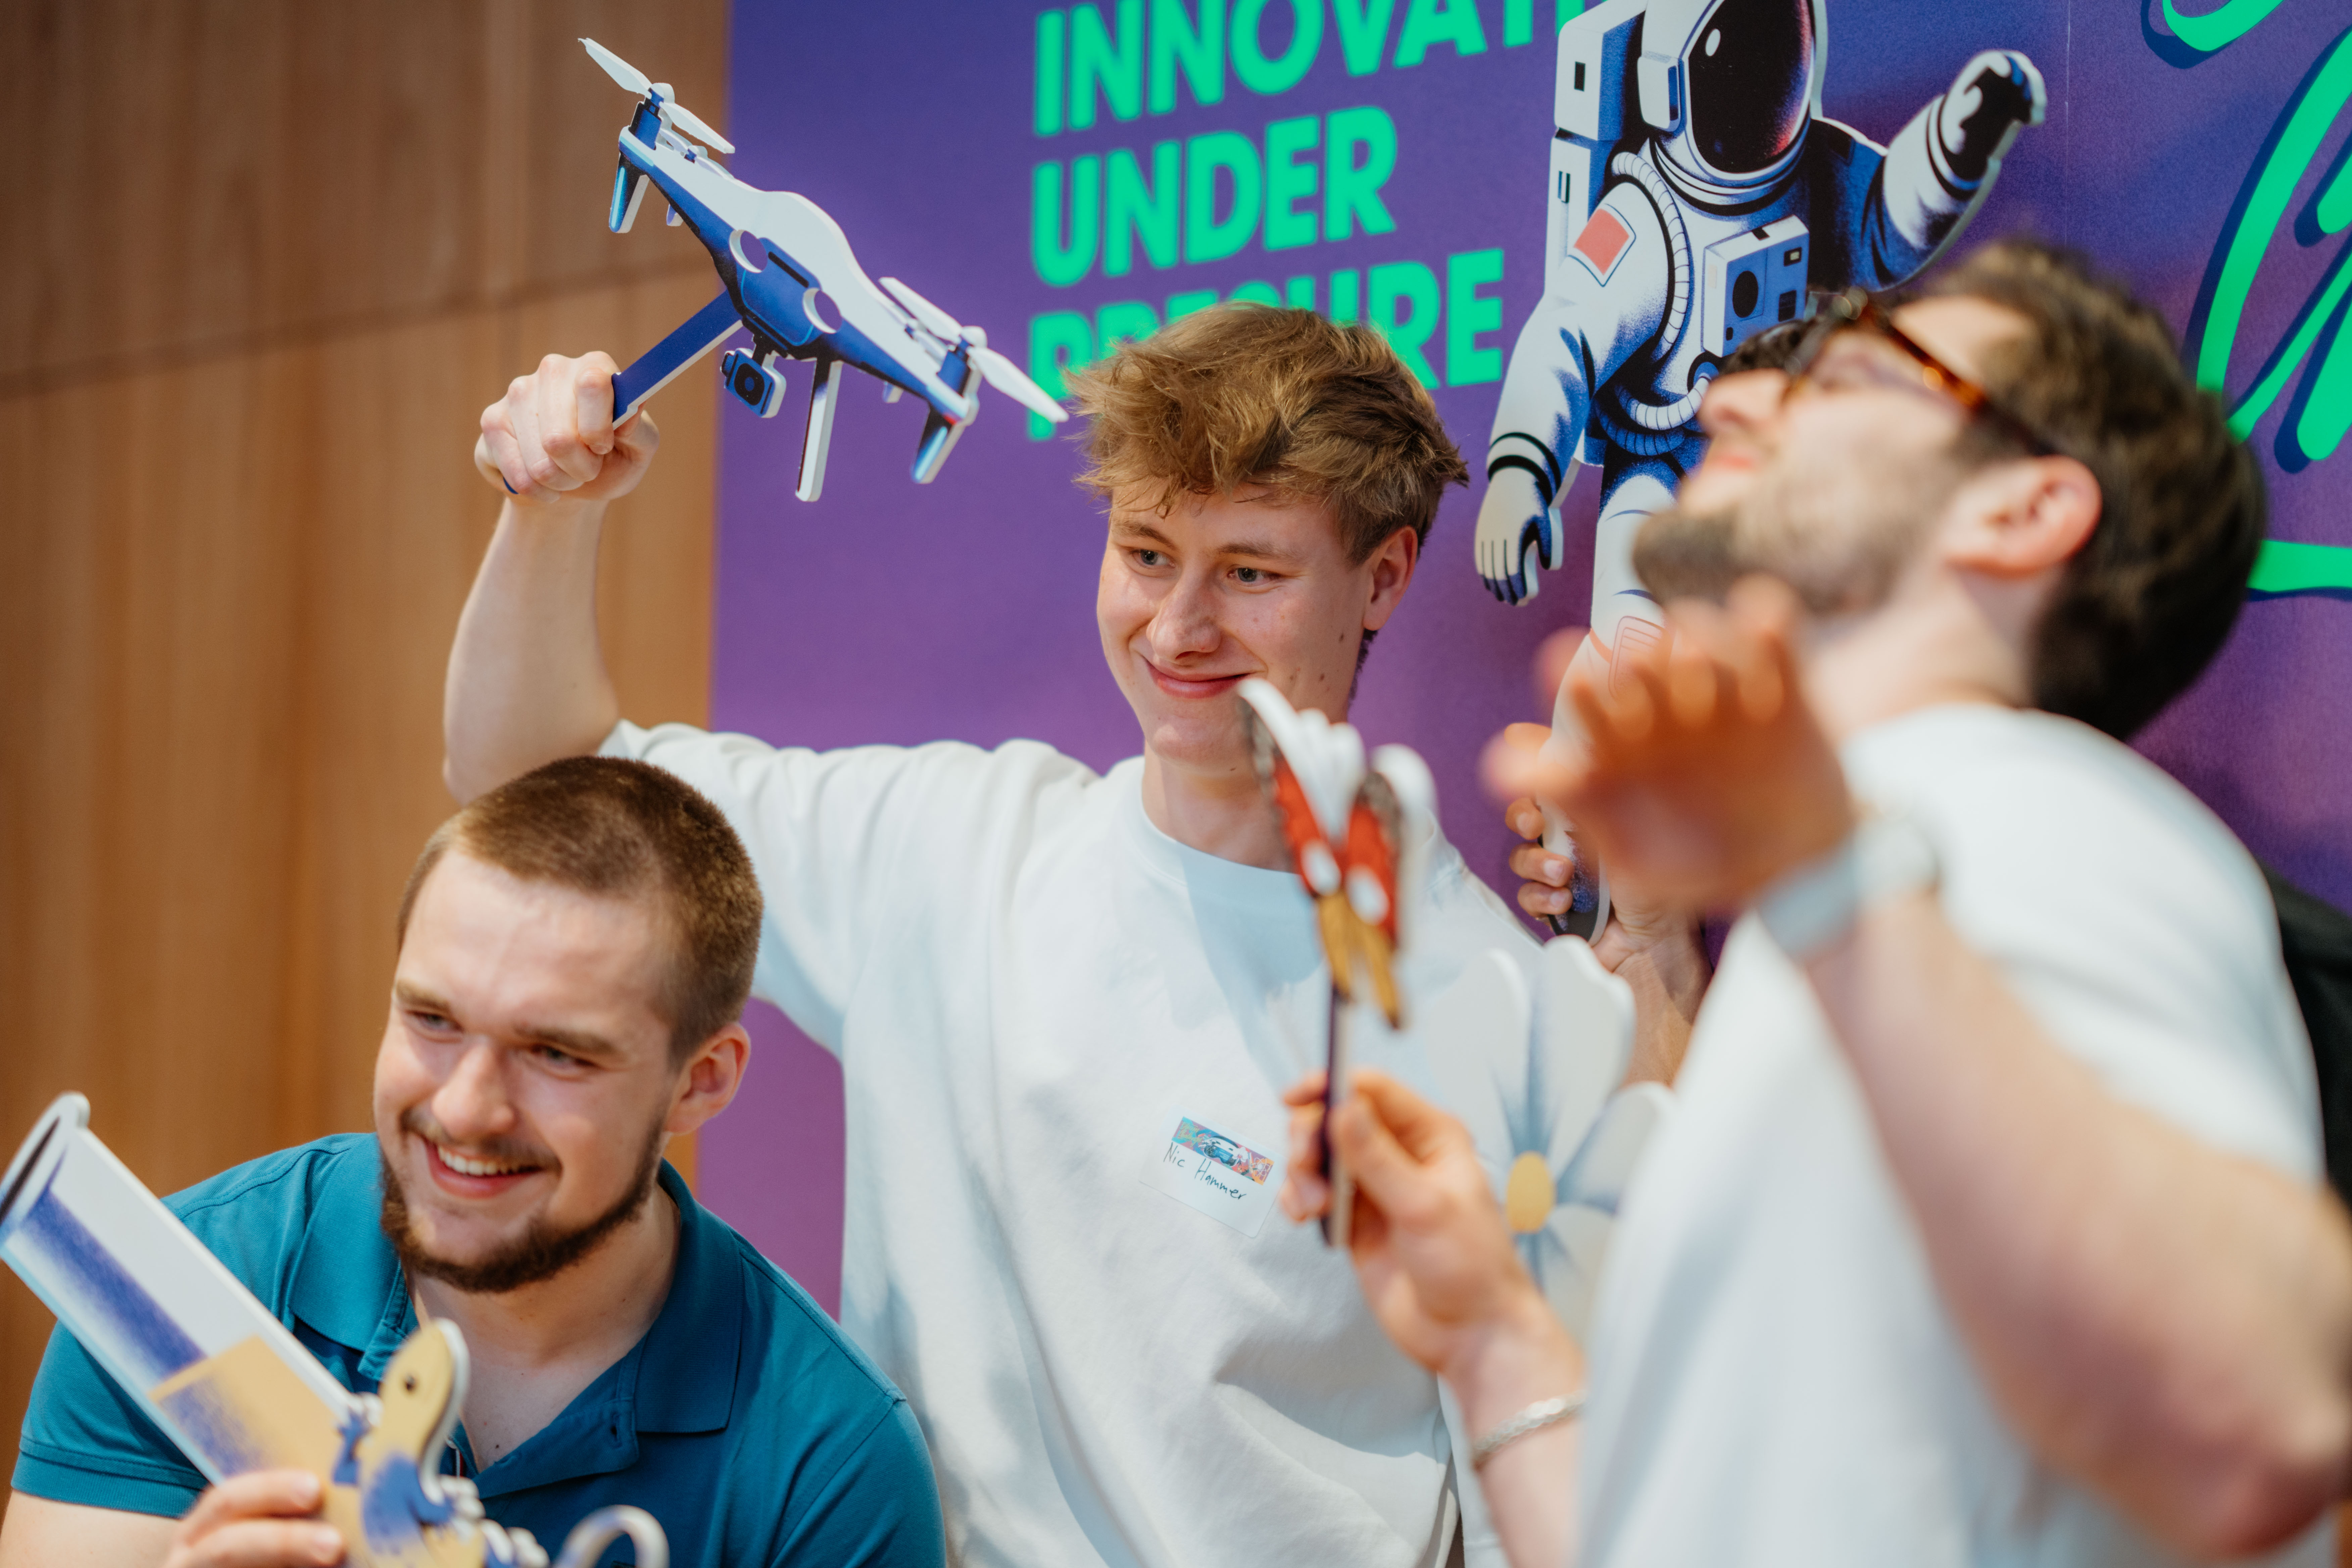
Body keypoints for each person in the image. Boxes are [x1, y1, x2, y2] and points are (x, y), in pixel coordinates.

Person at [443, 304, 1698, 1567]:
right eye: (1147, 553)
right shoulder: (949, 849)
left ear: (1383, 577)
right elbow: (539, 784)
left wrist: (1657, 984)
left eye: (1250, 574)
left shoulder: (1486, 1008)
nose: (1179, 629)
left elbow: (1579, 1506)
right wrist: (552, 512)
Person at [1282, 240, 2352, 1567]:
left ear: (2021, 511)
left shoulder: (2038, 816)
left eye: (1847, 378)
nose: (1731, 400)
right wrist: (1491, 1334)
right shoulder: (1874, 896)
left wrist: (1838, 877)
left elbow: (2261, 1419)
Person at [0, 758, 943, 1568]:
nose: (463, 1109)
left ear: (700, 1081)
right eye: (433, 1019)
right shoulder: (167, 1291)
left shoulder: (829, 1462)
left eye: (557, 1054)